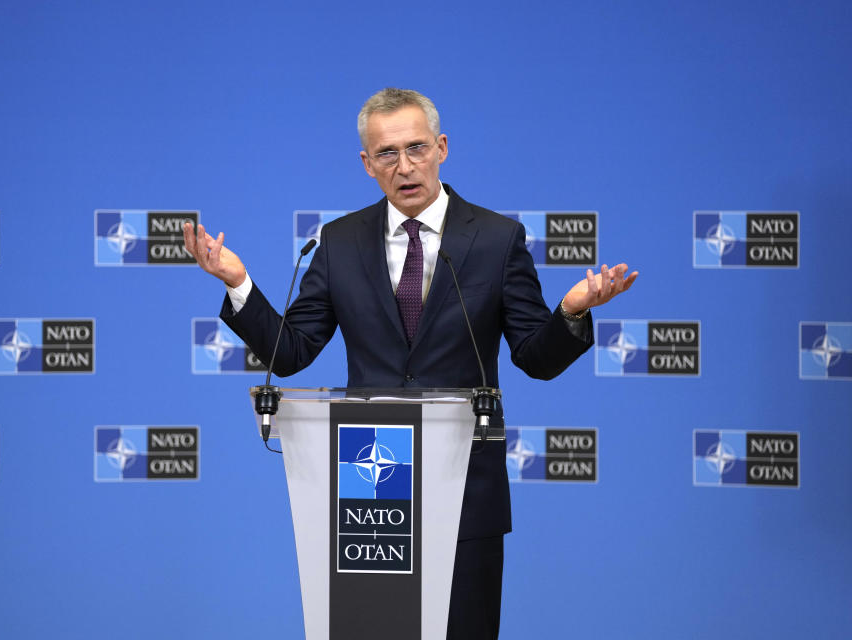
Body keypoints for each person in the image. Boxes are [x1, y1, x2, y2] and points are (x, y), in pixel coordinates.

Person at [183, 88, 637, 639]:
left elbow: (535, 359)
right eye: (387, 154)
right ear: (366, 164)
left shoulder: (497, 239)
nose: (405, 166)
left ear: (442, 148)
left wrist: (569, 311)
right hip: (372, 491)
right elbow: (292, 352)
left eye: (417, 148)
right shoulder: (339, 241)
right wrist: (238, 284)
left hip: (465, 487)